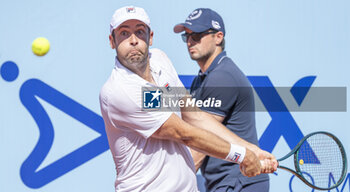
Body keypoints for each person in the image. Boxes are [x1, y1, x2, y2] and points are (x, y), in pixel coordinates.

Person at [99, 6, 277, 192]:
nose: (133, 40)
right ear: (112, 41)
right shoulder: (121, 91)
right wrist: (243, 155)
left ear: (150, 37)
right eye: (124, 33)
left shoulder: (160, 60)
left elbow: (193, 114)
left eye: (139, 32)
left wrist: (252, 150)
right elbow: (184, 133)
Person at [174, 8, 272, 192]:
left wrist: (170, 186)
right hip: (226, 183)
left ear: (218, 37)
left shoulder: (223, 77)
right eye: (186, 36)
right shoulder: (202, 79)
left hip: (238, 183)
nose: (189, 42)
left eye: (196, 35)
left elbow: (200, 144)